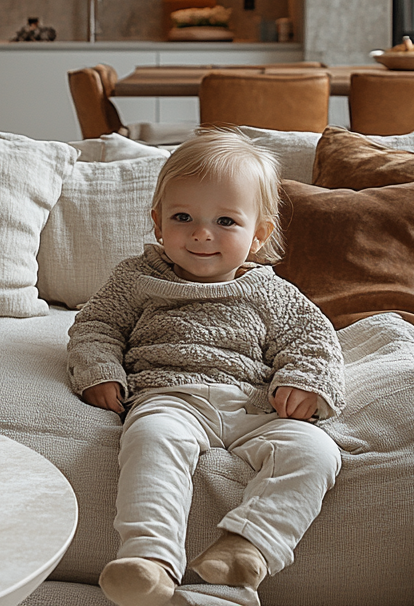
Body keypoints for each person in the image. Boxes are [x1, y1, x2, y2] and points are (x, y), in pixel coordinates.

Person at [67, 129, 345, 606]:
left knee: (316, 452)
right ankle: (149, 560)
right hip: (172, 397)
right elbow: (95, 326)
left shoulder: (270, 291)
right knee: (151, 440)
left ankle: (248, 546)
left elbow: (314, 337)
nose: (201, 233)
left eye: (225, 220)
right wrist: (100, 370)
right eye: (182, 217)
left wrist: (306, 382)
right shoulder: (138, 278)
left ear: (259, 233)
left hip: (255, 405)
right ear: (157, 223)